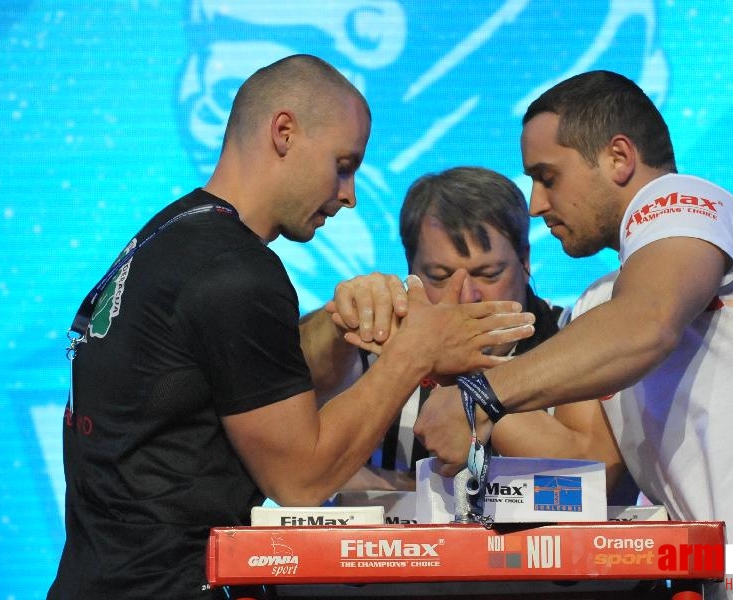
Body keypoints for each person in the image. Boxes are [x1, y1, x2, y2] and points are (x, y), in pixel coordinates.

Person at [47, 54, 536, 600]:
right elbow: (301, 481)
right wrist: (414, 353)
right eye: (343, 164)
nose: (349, 193)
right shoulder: (235, 271)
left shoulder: (171, 234)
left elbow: (245, 383)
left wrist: (341, 318)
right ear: (284, 132)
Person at [411, 71, 733, 598]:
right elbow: (592, 473)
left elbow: (648, 323)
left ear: (619, 158)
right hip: (727, 581)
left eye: (548, 176)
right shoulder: (597, 306)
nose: (536, 203)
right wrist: (465, 371)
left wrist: (480, 398)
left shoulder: (683, 201)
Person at [334, 166, 623, 491]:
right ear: (409, 269)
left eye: (488, 273)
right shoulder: (373, 344)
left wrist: (465, 375)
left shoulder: (572, 335)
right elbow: (308, 472)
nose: (467, 296)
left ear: (525, 260)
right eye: (439, 277)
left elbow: (593, 479)